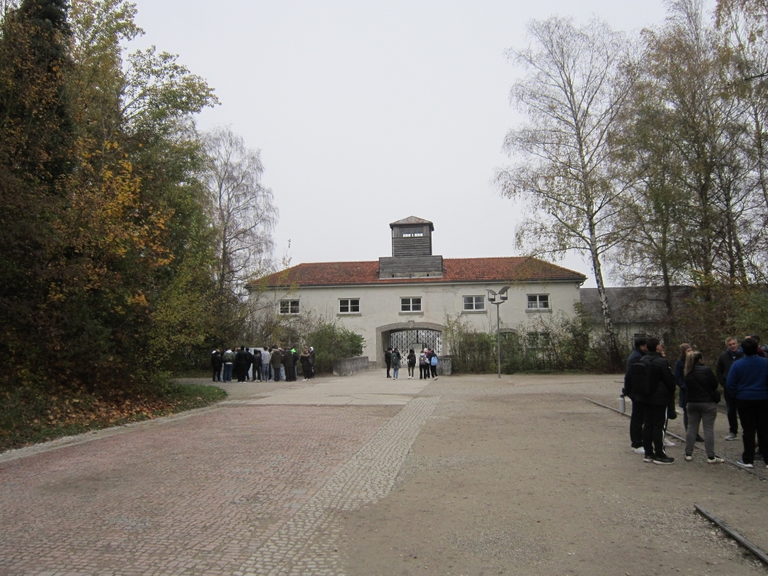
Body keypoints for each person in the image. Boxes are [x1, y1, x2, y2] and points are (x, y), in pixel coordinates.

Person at [726, 338, 768, 469]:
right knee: (764, 429)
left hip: (744, 399)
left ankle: (748, 458)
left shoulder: (738, 365)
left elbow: (730, 383)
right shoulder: (765, 363)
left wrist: (736, 395)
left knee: (748, 430)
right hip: (763, 398)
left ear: (742, 349)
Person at [635, 337, 677, 465]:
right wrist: (671, 392)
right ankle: (660, 453)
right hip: (659, 398)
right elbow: (669, 380)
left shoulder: (643, 359)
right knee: (659, 426)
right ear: (658, 347)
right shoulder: (661, 362)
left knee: (648, 424)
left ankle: (648, 453)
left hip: (645, 397)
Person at [683, 349, 724, 463]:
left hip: (692, 402)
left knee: (692, 428)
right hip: (707, 402)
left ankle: (688, 453)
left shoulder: (687, 371)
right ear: (701, 359)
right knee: (708, 429)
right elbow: (714, 384)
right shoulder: (706, 370)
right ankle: (710, 456)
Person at [623, 337, 647, 454]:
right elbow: (629, 375)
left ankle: (639, 440)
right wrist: (627, 390)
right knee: (637, 417)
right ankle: (636, 442)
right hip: (636, 392)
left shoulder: (636, 355)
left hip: (635, 391)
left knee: (639, 417)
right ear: (642, 346)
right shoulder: (637, 357)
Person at [716, 337, 743, 441]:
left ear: (737, 344)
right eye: (730, 345)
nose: (732, 346)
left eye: (734, 344)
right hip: (728, 387)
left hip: (741, 387)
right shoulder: (723, 356)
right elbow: (719, 370)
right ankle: (733, 430)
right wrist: (722, 382)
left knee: (743, 409)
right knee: (731, 409)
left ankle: (746, 429)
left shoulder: (743, 355)